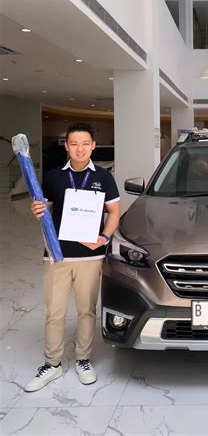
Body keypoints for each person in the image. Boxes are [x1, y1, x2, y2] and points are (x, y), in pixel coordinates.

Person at [25, 122, 120, 392]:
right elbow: (47, 210)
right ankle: (52, 363)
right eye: (74, 144)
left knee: (86, 310)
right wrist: (38, 210)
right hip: (57, 255)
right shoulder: (54, 177)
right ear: (66, 146)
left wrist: (104, 239)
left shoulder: (104, 177)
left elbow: (114, 211)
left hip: (90, 257)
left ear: (93, 146)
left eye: (85, 144)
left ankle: (83, 359)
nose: (80, 149)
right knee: (54, 312)